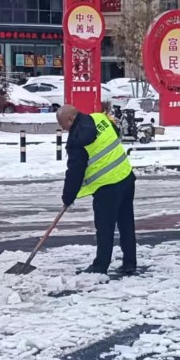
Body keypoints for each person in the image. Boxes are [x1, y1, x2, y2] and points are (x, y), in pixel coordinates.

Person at [59, 103, 137, 274]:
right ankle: (130, 262)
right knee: (126, 224)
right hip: (126, 176)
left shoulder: (76, 141)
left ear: (71, 119)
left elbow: (75, 172)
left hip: (106, 187)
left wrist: (68, 197)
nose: (65, 131)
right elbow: (116, 135)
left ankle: (100, 266)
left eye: (64, 126)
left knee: (104, 228)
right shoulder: (100, 118)